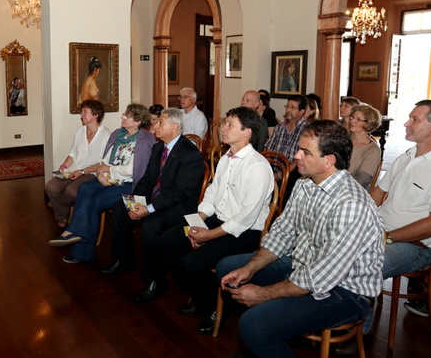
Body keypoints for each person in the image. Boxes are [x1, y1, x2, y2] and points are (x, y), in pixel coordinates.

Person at [217, 120, 384, 358]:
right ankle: (262, 344)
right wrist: (250, 269)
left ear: (329, 161)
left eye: (306, 152)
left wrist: (263, 294)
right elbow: (282, 234)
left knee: (254, 325)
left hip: (345, 291)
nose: (296, 155)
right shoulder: (306, 183)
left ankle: (262, 336)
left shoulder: (351, 204)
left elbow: (322, 276)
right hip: (305, 265)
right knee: (230, 267)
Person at [340, 100, 431, 353]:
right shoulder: (407, 156)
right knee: (328, 248)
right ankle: (326, 317)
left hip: (415, 246)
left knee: (358, 265)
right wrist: (354, 221)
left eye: (415, 119)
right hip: (380, 233)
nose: (407, 123)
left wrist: (385, 237)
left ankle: (354, 330)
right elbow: (377, 193)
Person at [159, 107, 273, 333]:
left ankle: (215, 306)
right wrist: (197, 222)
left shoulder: (257, 167)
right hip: (218, 222)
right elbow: (212, 193)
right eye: (225, 123)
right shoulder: (226, 158)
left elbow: (244, 220)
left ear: (247, 132)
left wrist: (207, 236)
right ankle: (200, 293)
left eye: (231, 124)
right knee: (169, 239)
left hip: (244, 233)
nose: (223, 128)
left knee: (194, 261)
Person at [100, 108, 205, 306]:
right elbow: (148, 179)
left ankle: (155, 280)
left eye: (160, 123)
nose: (155, 126)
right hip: (158, 201)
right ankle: (123, 259)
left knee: (151, 225)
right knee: (121, 208)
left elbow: (178, 193)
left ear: (174, 127)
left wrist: (148, 209)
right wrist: (136, 201)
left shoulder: (190, 153)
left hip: (179, 207)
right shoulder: (158, 148)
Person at [48, 104, 155, 264]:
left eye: (126, 116)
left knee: (94, 201)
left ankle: (78, 244)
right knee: (84, 188)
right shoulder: (119, 134)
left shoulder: (145, 140)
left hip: (127, 184)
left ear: (137, 121)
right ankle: (77, 235)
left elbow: (131, 171)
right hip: (107, 177)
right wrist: (100, 174)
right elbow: (105, 159)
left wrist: (108, 171)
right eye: (124, 114)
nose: (122, 117)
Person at [44, 100, 111, 227]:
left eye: (85, 111)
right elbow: (72, 155)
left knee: (72, 192)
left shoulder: (105, 135)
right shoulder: (79, 131)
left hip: (91, 173)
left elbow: (102, 163)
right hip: (75, 169)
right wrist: (65, 165)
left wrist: (82, 171)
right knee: (51, 187)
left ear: (96, 114)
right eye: (82, 111)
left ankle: (61, 204)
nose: (82, 114)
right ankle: (62, 215)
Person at [264, 94, 308, 208]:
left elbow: (299, 159)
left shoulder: (307, 130)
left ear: (302, 111)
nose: (288, 110)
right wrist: (267, 170)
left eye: (293, 108)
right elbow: (268, 150)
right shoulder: (280, 127)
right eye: (287, 106)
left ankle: (279, 215)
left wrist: (281, 174)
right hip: (274, 167)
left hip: (293, 170)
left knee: (287, 183)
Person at [347, 104, 381, 190]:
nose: (352, 121)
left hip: (354, 191)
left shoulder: (372, 150)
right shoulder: (342, 140)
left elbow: (361, 179)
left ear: (368, 124)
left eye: (358, 119)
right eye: (352, 117)